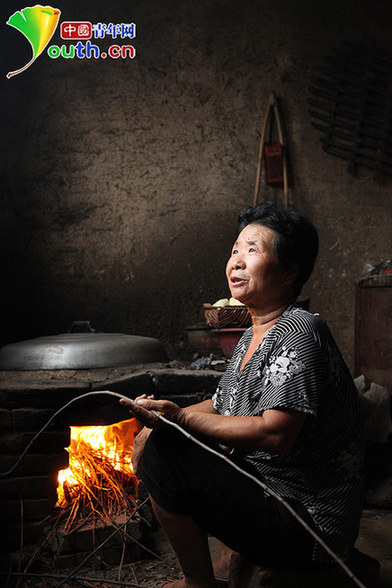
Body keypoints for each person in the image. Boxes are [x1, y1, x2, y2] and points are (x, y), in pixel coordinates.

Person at [120, 202, 364, 588]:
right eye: (235, 250)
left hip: (307, 522)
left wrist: (178, 421)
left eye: (253, 250)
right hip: (267, 493)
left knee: (165, 451)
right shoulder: (252, 333)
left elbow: (275, 434)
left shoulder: (299, 332)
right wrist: (162, 415)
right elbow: (223, 404)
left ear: (289, 272)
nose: (237, 261)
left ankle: (198, 583)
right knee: (157, 438)